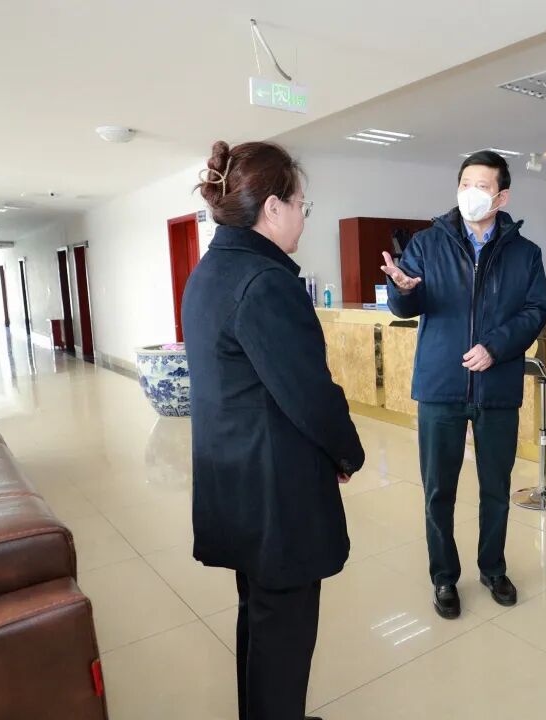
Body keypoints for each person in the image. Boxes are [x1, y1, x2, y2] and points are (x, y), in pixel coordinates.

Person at [183, 141, 364, 720]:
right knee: (283, 633)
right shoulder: (266, 282)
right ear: (273, 208)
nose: (304, 217)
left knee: (260, 618)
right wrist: (347, 453)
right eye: (301, 205)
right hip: (275, 492)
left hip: (236, 478)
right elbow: (308, 392)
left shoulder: (211, 271)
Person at [381, 151, 546, 620]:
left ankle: (493, 569)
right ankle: (443, 576)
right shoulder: (426, 243)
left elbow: (536, 310)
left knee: (496, 487)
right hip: (441, 385)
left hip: (496, 387)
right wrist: (402, 289)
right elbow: (405, 306)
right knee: (439, 490)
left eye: (482, 185)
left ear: (502, 196)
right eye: (465, 184)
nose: (471, 193)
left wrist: (496, 346)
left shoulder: (525, 253)